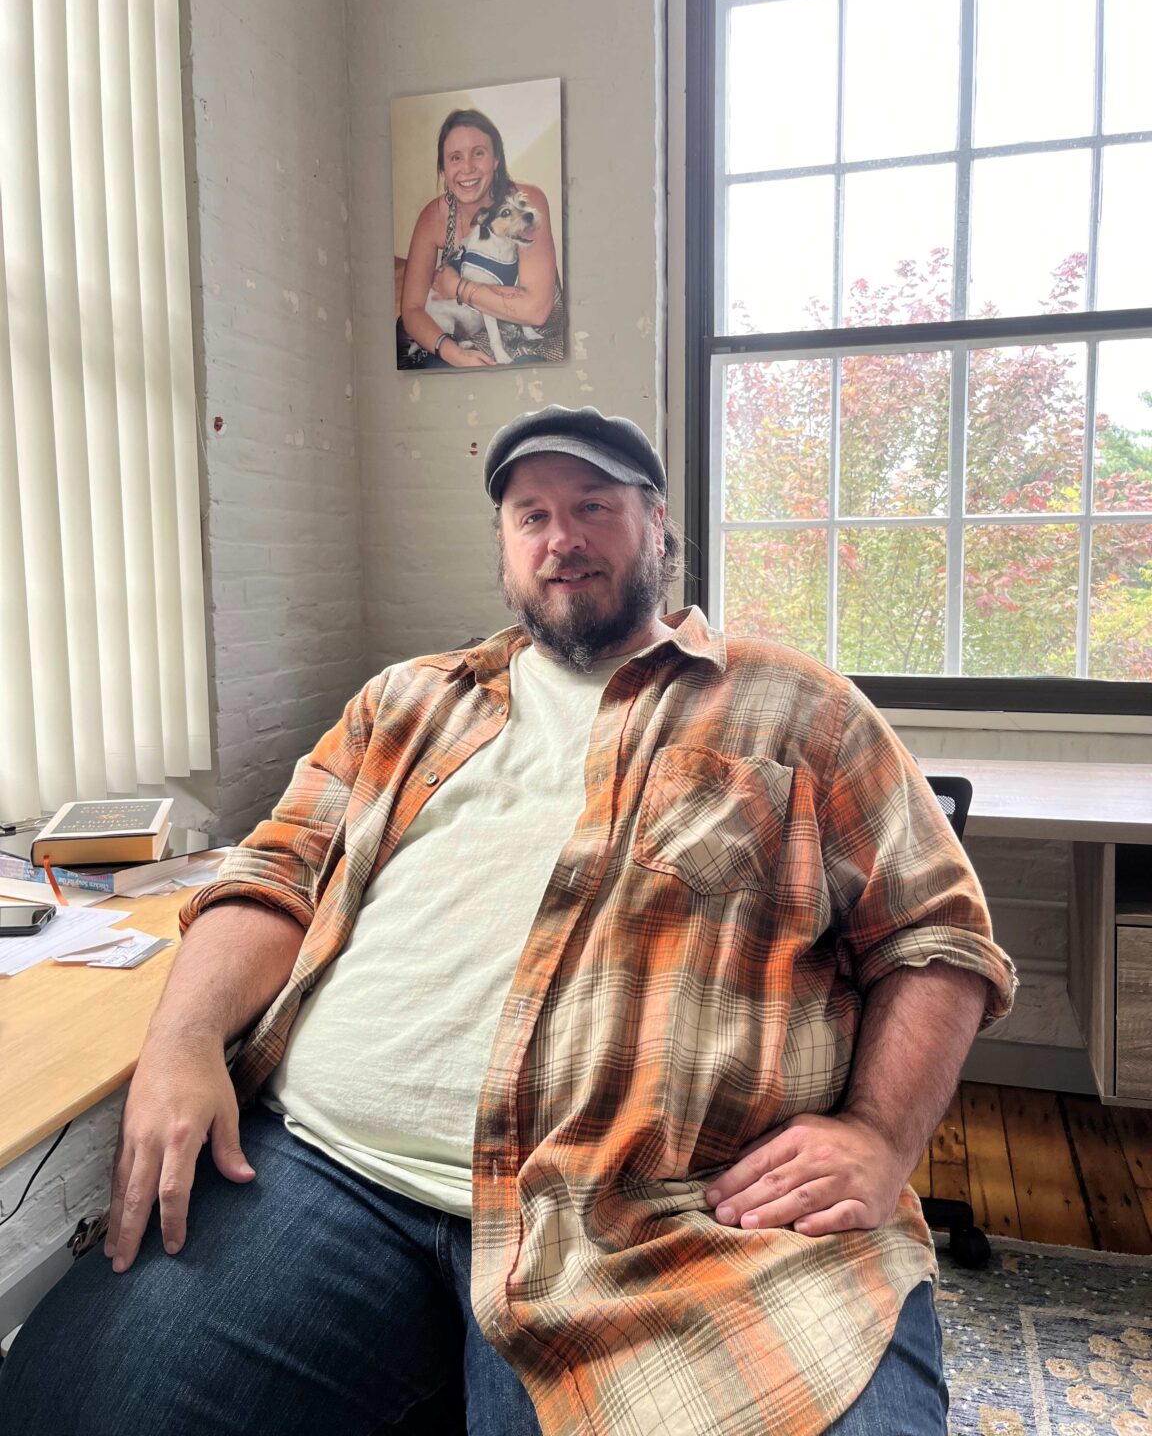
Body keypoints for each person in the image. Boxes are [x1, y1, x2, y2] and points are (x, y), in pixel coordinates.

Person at [0, 405, 1016, 1436]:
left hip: (672, 1215)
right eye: (532, 515)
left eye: (594, 508)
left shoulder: (802, 711)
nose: (562, 538)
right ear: (504, 547)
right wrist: (180, 1045)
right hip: (324, 1175)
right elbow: (275, 875)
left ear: (659, 527)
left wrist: (880, 1138)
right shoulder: (407, 701)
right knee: (64, 1407)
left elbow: (940, 938)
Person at [397, 108, 562, 369]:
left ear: (496, 159)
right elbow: (413, 308)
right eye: (455, 158)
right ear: (443, 169)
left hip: (526, 334)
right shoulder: (433, 216)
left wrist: (459, 288)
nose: (467, 168)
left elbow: (536, 311)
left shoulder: (525, 205)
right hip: (461, 333)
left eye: (478, 153)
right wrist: (452, 352)